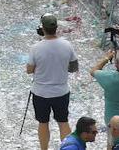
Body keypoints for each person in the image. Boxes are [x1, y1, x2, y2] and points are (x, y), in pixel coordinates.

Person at [27, 13, 78, 150]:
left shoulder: (36, 48)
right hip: (61, 91)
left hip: (41, 92)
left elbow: (29, 70)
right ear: (57, 27)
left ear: (42, 28)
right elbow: (74, 68)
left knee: (43, 123)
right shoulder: (67, 45)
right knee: (63, 121)